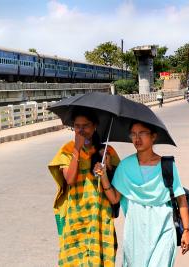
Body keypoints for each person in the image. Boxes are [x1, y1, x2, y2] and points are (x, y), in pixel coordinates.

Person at [94, 121, 189, 267]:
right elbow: (114, 199)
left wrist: (186, 231)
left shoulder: (167, 165)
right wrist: (103, 176)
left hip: (163, 229)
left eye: (142, 133)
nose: (137, 138)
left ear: (153, 136)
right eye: (133, 134)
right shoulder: (125, 166)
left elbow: (181, 198)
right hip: (135, 232)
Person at [48, 109, 120, 267]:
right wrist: (77, 150)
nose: (81, 130)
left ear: (95, 126)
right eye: (77, 126)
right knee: (74, 257)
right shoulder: (67, 150)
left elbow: (118, 186)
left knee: (100, 257)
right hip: (76, 214)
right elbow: (70, 180)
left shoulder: (108, 151)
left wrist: (107, 166)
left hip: (100, 212)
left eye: (85, 126)